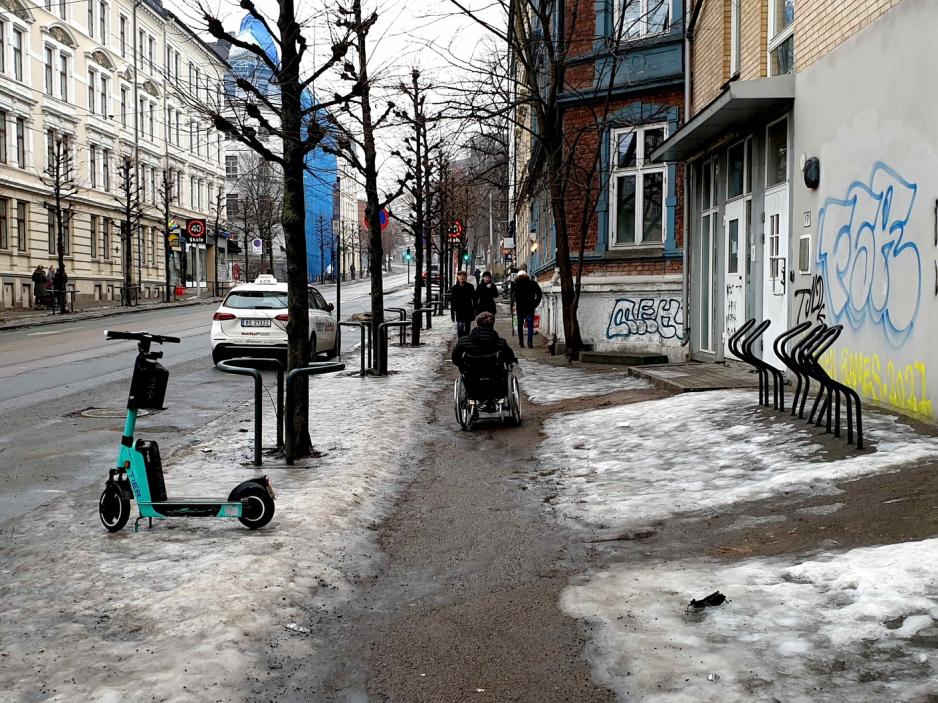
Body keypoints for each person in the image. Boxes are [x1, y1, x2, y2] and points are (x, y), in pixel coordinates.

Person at [451, 311, 518, 371]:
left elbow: (455, 358)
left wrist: (462, 366)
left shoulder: (463, 342)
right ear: (492, 325)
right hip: (495, 375)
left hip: (471, 375)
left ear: (477, 324)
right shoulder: (501, 343)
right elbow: (510, 357)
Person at [512, 270, 542, 348]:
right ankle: (529, 343)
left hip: (520, 309)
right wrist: (535, 303)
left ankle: (521, 343)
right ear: (526, 275)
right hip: (530, 308)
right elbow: (539, 293)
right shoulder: (532, 283)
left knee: (520, 326)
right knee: (530, 326)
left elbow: (513, 297)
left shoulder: (515, 285)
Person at [450, 270, 476, 338]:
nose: (462, 277)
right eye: (460, 276)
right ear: (457, 277)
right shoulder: (454, 288)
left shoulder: (470, 287)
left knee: (467, 327)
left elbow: (474, 298)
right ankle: (461, 341)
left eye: (463, 276)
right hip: (459, 310)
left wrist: (475, 309)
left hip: (468, 309)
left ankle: (466, 340)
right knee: (460, 326)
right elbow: (452, 301)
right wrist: (452, 312)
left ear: (465, 277)